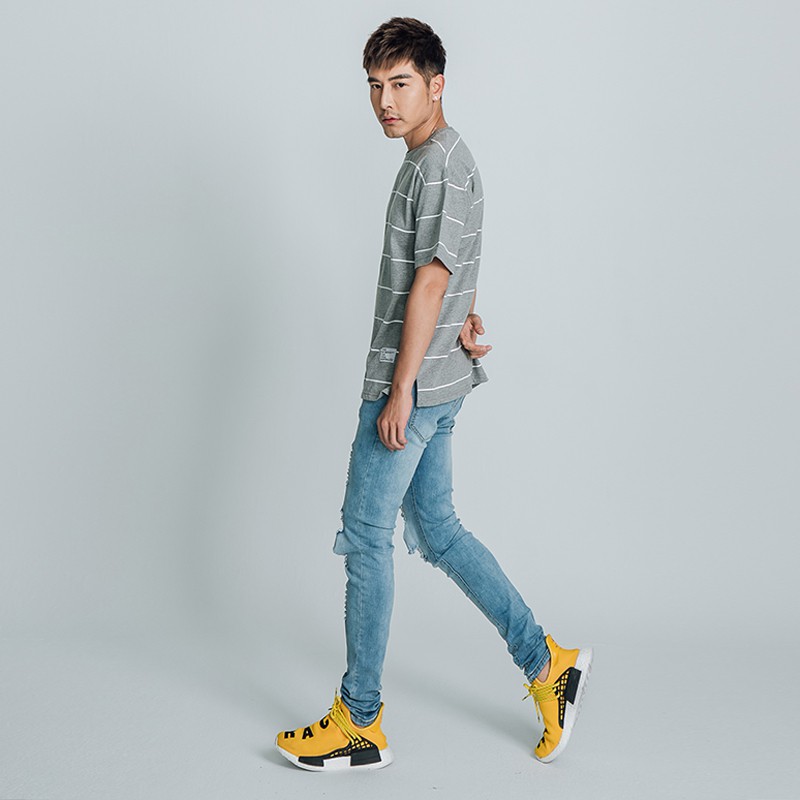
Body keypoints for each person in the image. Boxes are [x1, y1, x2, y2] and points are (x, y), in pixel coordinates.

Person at [275, 16, 592, 771]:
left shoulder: (441, 163)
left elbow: (431, 279)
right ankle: (547, 663)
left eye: (400, 84)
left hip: (414, 386)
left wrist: (400, 391)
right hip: (439, 377)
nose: (385, 101)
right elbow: (452, 272)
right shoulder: (430, 159)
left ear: (436, 85)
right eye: (374, 86)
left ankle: (359, 720)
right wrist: (465, 324)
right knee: (439, 532)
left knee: (365, 538)